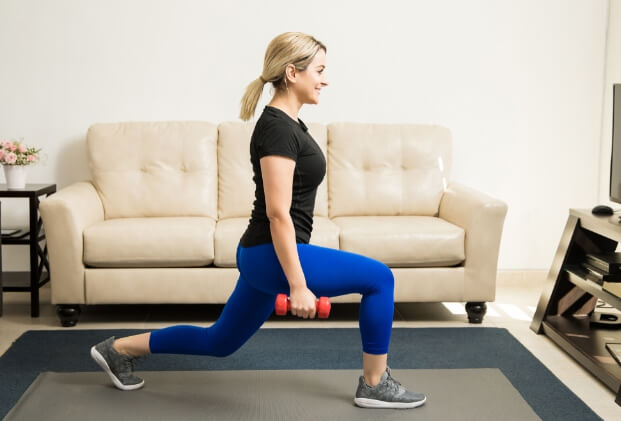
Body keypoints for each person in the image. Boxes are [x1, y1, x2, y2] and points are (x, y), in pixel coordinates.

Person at [90, 31, 427, 409]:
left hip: (261, 255)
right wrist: (298, 285)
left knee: (219, 342)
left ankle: (118, 349)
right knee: (380, 278)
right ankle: (375, 383)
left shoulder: (289, 124)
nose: (325, 78)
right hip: (272, 253)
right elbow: (277, 212)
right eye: (319, 70)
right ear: (292, 72)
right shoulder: (277, 129)